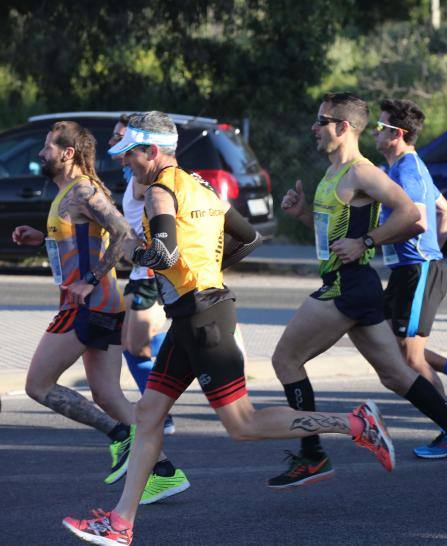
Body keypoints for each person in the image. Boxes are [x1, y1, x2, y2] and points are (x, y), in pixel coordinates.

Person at [62, 111, 395, 546]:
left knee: (242, 424)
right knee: (147, 415)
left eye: (130, 155)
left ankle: (353, 423)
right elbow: (250, 239)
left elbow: (162, 254)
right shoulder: (199, 184)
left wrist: (133, 253)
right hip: (193, 314)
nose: (125, 163)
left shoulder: (160, 191)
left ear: (152, 151)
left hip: (203, 319)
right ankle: (121, 523)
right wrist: (202, 269)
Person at [273, 92, 447, 498]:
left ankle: (312, 453)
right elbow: (331, 239)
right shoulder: (333, 172)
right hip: (351, 284)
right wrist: (303, 212)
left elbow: (413, 215)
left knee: (285, 359)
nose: (313, 128)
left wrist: (367, 242)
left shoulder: (363, 172)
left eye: (321, 121)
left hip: (347, 286)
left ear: (343, 128)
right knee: (395, 375)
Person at [14, 121, 188, 501]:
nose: (42, 153)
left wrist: (90, 279)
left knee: (37, 386)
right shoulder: (67, 194)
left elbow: (125, 234)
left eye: (48, 146)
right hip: (103, 307)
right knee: (108, 394)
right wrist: (38, 240)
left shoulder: (83, 191)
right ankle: (163, 471)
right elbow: (79, 246)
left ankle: (121, 437)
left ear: (67, 153)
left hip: (89, 305)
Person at [373, 98, 447, 459]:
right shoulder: (406, 168)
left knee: (410, 357)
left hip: (417, 270)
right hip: (413, 269)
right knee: (396, 345)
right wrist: (434, 249)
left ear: (397, 134)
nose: (375, 132)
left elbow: (419, 220)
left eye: (381, 126)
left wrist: (426, 253)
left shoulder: (406, 170)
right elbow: (446, 211)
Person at [109, 115, 173, 435]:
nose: (114, 144)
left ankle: (160, 412)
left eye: (120, 138)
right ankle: (159, 408)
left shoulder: (149, 180)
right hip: (141, 269)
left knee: (135, 347)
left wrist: (140, 249)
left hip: (147, 270)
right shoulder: (133, 175)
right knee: (137, 345)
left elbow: (161, 218)